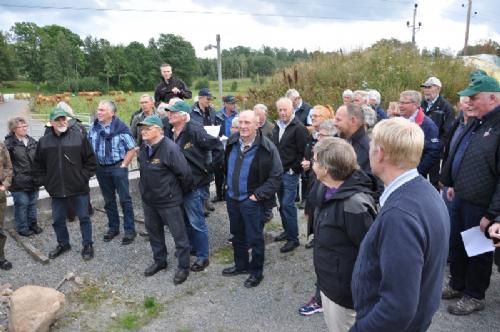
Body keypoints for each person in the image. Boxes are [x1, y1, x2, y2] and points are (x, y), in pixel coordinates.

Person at [350, 118, 449, 331]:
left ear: (381, 153)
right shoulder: (425, 190)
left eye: (371, 146)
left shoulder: (399, 215)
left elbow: (397, 308)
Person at [440, 73, 500, 315]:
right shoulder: (478, 121)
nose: (470, 102)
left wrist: (493, 213)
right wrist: (451, 181)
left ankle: (474, 295)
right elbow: (458, 151)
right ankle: (458, 284)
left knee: (479, 251)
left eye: (475, 97)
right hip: (462, 197)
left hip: (482, 204)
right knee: (457, 244)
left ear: (493, 97)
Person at [311, 137, 377, 332]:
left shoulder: (354, 206)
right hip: (329, 283)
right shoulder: (327, 188)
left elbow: (371, 255)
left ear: (327, 169)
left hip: (345, 293)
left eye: (315, 160)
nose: (311, 163)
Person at [221, 110, 282, 288]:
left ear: (257, 125)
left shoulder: (267, 148)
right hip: (233, 198)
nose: (243, 126)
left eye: (247, 123)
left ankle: (256, 272)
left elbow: (276, 176)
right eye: (241, 122)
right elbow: (227, 165)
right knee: (237, 235)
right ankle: (241, 266)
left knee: (255, 238)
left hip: (252, 201)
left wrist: (257, 195)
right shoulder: (232, 142)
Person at [167, 101, 223, 272]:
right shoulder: (172, 132)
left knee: (196, 221)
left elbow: (218, 147)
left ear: (184, 115)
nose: (169, 115)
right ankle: (191, 247)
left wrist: (208, 169)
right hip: (179, 184)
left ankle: (203, 256)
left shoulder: (194, 130)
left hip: (195, 184)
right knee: (185, 219)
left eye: (173, 112)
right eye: (169, 112)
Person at [34, 107, 97, 260]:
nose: (62, 122)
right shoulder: (44, 142)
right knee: (57, 220)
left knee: (84, 218)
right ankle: (63, 244)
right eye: (58, 120)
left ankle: (87, 245)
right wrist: (46, 182)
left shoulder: (79, 137)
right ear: (51, 123)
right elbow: (38, 166)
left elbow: (91, 161)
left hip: (79, 188)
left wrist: (83, 177)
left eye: (64, 119)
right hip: (56, 189)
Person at [137, 115, 193, 284]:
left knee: (179, 236)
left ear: (159, 130)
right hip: (150, 201)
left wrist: (174, 194)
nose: (143, 131)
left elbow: (185, 175)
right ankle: (160, 261)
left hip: (169, 202)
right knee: (154, 233)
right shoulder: (144, 148)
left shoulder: (170, 148)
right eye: (142, 129)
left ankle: (183, 267)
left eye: (148, 128)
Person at [88, 100, 137, 245]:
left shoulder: (121, 128)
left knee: (124, 199)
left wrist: (124, 165)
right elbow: (88, 146)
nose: (99, 112)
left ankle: (129, 230)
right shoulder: (94, 127)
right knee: (108, 200)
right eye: (98, 109)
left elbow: (132, 148)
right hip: (101, 168)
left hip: (117, 167)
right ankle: (113, 228)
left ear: (112, 113)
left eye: (102, 110)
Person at [272, 97, 309, 253]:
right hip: (278, 173)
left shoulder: (298, 127)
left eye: (285, 109)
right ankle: (288, 231)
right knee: (282, 204)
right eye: (280, 110)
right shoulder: (277, 126)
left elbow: (303, 151)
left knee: (288, 205)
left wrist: (294, 169)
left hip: (290, 173)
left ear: (292, 109)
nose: (282, 113)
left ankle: (293, 239)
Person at [5, 117, 42, 237]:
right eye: (20, 127)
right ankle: (22, 227)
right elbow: (6, 163)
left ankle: (33, 224)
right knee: (22, 205)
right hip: (18, 181)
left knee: (32, 204)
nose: (24, 128)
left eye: (25, 126)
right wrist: (12, 178)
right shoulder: (9, 144)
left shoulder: (31, 141)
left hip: (33, 180)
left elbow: (39, 159)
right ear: (14, 129)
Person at [420, 76, 455, 188]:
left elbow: (448, 131)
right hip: (419, 148)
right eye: (425, 87)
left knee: (434, 180)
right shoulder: (421, 104)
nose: (426, 90)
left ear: (438, 89)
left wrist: (438, 146)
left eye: (429, 87)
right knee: (419, 178)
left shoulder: (446, 107)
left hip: (435, 150)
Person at [398, 90, 441, 179]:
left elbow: (433, 152)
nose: (400, 106)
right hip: (398, 172)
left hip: (413, 175)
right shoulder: (398, 121)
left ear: (416, 104)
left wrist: (418, 171)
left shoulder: (427, 125)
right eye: (400, 102)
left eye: (404, 103)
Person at [334, 104, 371, 173]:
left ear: (353, 120)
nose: (335, 123)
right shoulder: (337, 141)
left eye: (338, 120)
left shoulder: (367, 150)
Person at [0, 141, 13, 270]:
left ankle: (1, 257)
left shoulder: (1, 145)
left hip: (0, 194)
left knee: (0, 229)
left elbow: (8, 166)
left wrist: (5, 184)